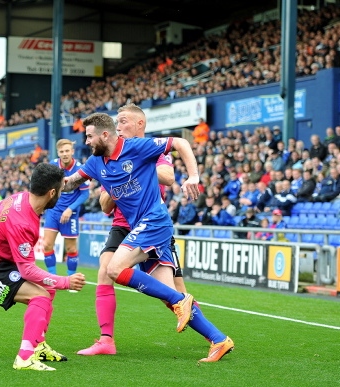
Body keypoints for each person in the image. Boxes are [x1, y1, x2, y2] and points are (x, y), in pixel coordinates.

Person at [64, 112, 234, 362]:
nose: (86, 142)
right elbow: (71, 183)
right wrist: (51, 183)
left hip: (154, 222)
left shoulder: (137, 147)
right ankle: (218, 339)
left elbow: (180, 143)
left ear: (104, 135)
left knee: (114, 269)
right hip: (139, 229)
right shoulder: (94, 163)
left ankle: (180, 300)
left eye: (89, 136)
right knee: (166, 294)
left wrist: (194, 176)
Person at [0, 163, 86, 371]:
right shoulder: (22, 223)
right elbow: (26, 270)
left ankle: (38, 345)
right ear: (52, 193)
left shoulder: (19, 197)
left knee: (47, 289)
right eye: (60, 192)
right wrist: (66, 281)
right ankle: (24, 358)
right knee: (40, 296)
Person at [43, 139, 89, 278]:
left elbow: (85, 194)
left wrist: (70, 209)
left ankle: (71, 278)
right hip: (53, 211)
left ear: (72, 151)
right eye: (62, 151)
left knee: (71, 249)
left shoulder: (80, 169)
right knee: (46, 245)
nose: (65, 154)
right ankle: (53, 277)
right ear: (58, 153)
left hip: (71, 213)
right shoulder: (52, 166)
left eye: (67, 151)